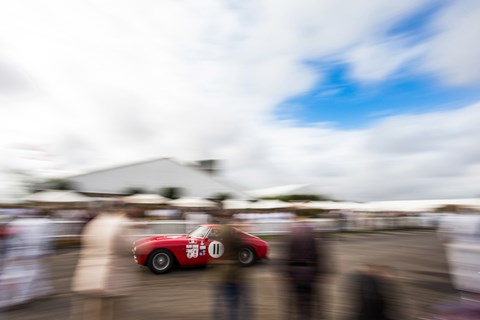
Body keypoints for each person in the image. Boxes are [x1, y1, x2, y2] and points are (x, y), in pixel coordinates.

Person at [70, 201, 137, 320]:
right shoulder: (121, 224)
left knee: (93, 312)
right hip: (111, 276)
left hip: (88, 274)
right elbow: (129, 245)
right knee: (112, 313)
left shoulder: (94, 223)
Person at [284, 221, 329, 320]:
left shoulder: (292, 234)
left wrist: (288, 274)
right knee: (311, 303)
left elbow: (287, 255)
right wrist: (319, 273)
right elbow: (318, 254)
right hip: (310, 272)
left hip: (295, 271)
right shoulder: (312, 234)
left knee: (297, 303)